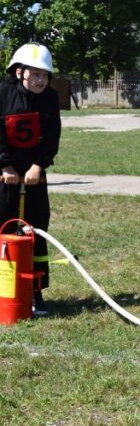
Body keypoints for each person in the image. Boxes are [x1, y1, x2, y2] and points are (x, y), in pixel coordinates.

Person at [0, 43, 62, 316]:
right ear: (18, 72)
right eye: (35, 73)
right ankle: (5, 290)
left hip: (35, 176)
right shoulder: (3, 93)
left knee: (35, 232)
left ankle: (35, 292)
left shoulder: (49, 98)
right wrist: (5, 166)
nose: (40, 80)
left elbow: (52, 136)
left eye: (44, 75)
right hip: (5, 175)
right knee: (4, 232)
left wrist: (39, 164)